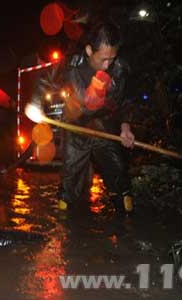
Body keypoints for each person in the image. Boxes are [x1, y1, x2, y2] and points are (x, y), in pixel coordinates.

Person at [31, 21, 135, 212]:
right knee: (68, 188)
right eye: (103, 59)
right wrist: (38, 106)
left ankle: (125, 219)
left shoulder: (119, 69)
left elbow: (124, 102)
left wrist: (125, 127)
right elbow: (46, 81)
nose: (107, 64)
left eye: (111, 59)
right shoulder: (70, 65)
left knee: (121, 183)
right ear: (89, 50)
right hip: (77, 129)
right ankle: (66, 229)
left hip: (104, 129)